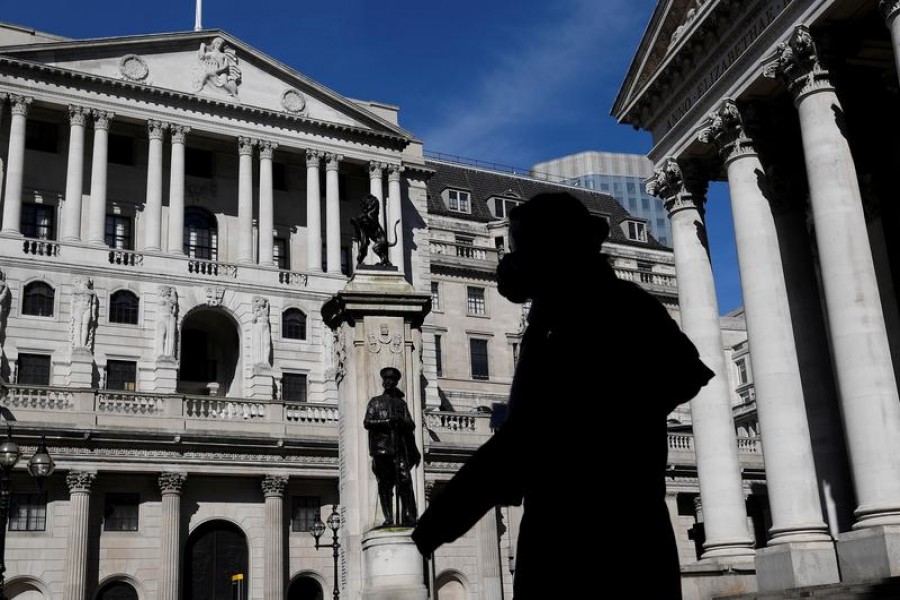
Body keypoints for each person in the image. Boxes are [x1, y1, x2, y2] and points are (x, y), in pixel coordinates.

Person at [412, 192, 714, 599]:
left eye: (519, 246)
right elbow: (685, 374)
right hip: (622, 524)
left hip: (580, 532)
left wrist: (434, 527)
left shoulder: (591, 311)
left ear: (553, 249)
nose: (509, 259)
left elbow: (524, 438)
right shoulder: (584, 309)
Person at [364, 367, 421, 526]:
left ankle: (409, 515)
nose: (389, 382)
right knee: (385, 484)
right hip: (381, 449)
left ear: (395, 383)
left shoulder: (400, 404)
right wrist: (387, 422)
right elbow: (367, 422)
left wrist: (402, 422)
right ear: (383, 382)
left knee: (405, 479)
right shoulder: (375, 402)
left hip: (398, 448)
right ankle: (388, 517)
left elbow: (411, 424)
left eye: (392, 380)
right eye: (387, 379)